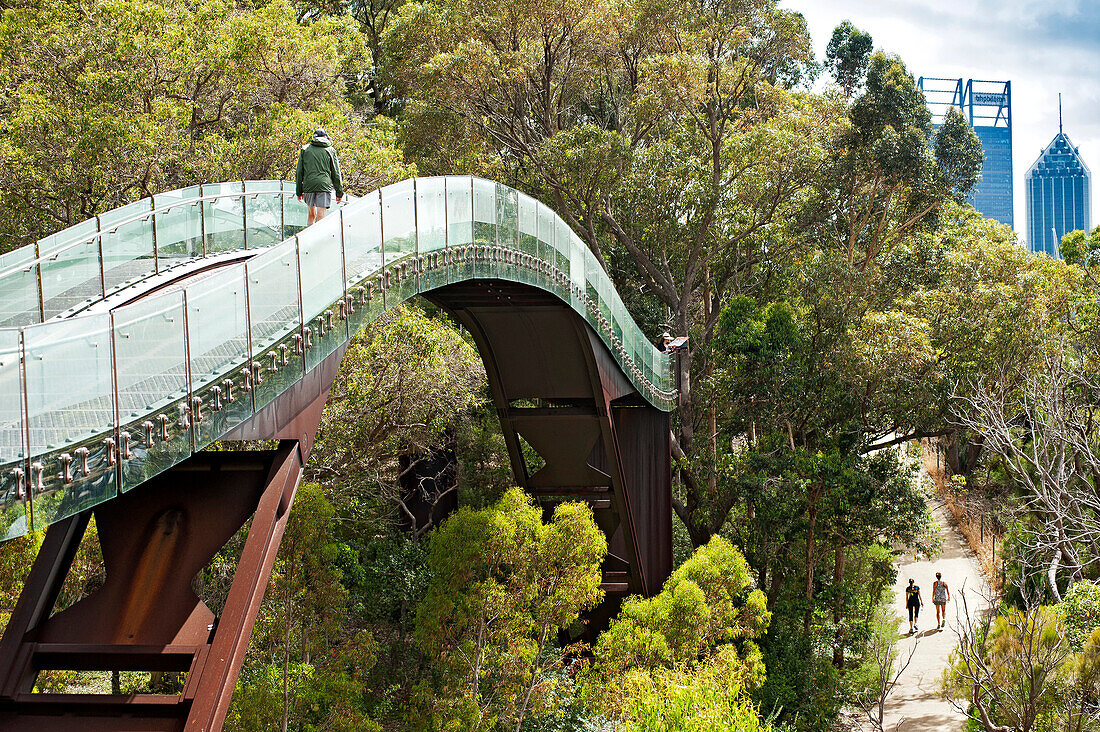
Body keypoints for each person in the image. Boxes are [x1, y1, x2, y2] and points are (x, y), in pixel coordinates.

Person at [295, 128, 344, 226]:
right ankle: (317, 239)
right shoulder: (330, 150)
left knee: (311, 215)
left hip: (308, 185)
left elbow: (299, 172)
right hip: (324, 185)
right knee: (321, 216)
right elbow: (336, 173)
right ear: (325, 137)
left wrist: (299, 191)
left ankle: (308, 238)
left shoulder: (305, 149)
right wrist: (339, 192)